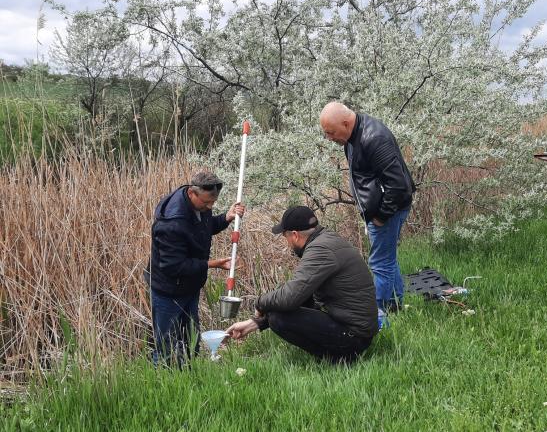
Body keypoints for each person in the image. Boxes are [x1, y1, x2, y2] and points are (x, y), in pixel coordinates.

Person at [226, 206, 378, 364]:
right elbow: (300, 295)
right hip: (358, 330)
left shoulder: (320, 250)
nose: (287, 243)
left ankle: (338, 358)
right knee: (289, 304)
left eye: (285, 237)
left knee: (278, 318)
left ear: (295, 235)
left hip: (354, 337)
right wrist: (255, 323)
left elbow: (289, 297)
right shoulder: (327, 239)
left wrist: (260, 303)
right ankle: (336, 355)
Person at [319, 101, 415, 312]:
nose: (329, 138)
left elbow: (398, 186)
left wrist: (381, 216)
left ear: (345, 123)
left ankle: (378, 315)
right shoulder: (351, 137)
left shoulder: (374, 138)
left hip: (389, 210)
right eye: (326, 133)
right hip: (378, 210)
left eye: (331, 132)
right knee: (387, 258)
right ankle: (395, 306)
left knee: (380, 263)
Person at [145, 171, 245, 366]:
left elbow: (204, 227)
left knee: (191, 339)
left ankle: (189, 375)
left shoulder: (199, 204)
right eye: (206, 203)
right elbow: (174, 265)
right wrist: (213, 264)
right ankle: (161, 380)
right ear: (192, 192)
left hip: (190, 286)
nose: (209, 207)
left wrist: (226, 217)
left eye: (212, 203)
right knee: (166, 344)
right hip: (168, 290)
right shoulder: (172, 223)